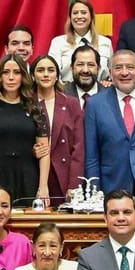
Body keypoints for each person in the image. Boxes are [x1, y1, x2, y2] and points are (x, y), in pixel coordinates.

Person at [84, 50, 135, 201]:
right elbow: (91, 156)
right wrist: (95, 193)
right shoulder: (95, 104)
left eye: (130, 67)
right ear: (110, 72)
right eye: (118, 67)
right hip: (111, 187)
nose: (124, 72)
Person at [0, 54, 50, 206]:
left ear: (23, 76)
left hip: (27, 175)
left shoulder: (36, 109)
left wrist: (43, 186)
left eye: (16, 72)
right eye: (6, 72)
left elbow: (44, 152)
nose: (11, 77)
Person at [32, 54, 84, 202]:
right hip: (35, 174)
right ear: (33, 75)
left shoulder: (71, 103)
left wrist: (74, 184)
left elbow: (78, 148)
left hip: (63, 175)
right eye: (41, 70)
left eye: (51, 70)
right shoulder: (26, 103)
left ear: (57, 75)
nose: (46, 74)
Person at [48, 0, 113, 82]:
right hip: (67, 92)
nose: (79, 16)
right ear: (70, 17)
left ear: (91, 16)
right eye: (75, 13)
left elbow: (112, 72)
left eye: (83, 12)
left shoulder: (105, 42)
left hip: (99, 92)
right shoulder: (58, 43)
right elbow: (52, 72)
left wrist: (108, 82)